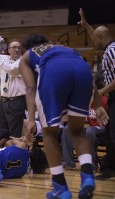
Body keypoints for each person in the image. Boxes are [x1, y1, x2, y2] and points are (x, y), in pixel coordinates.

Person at [19, 33, 109, 199]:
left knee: (49, 132)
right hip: (82, 71)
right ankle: (87, 175)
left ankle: (60, 187)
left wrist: (31, 119)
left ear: (27, 48)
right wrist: (97, 105)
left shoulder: (27, 56)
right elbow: (88, 74)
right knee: (77, 131)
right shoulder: (65, 48)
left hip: (54, 73)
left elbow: (30, 88)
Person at [79, 8, 115, 181]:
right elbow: (97, 35)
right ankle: (109, 169)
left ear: (100, 38)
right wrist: (85, 24)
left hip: (113, 95)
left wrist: (101, 91)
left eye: (95, 38)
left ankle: (109, 168)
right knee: (110, 134)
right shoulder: (109, 48)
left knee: (113, 135)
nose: (93, 40)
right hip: (112, 97)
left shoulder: (113, 51)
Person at [0, 39, 26, 138]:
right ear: (8, 50)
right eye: (14, 47)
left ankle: (14, 152)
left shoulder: (23, 61)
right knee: (3, 131)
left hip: (17, 101)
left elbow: (12, 70)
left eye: (19, 47)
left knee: (14, 132)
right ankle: (4, 152)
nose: (16, 49)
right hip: (3, 101)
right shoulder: (4, 60)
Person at [61, 95, 108, 171]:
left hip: (103, 127)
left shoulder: (104, 100)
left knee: (90, 131)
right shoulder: (84, 101)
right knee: (67, 129)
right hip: (90, 127)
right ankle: (68, 163)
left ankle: (92, 165)